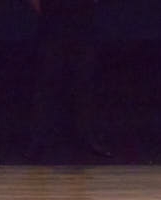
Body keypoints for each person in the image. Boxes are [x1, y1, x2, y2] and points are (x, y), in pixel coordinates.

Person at [24, 0, 112, 160]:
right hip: (53, 18)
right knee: (47, 83)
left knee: (84, 82)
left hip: (81, 18)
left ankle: (87, 137)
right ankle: (40, 140)